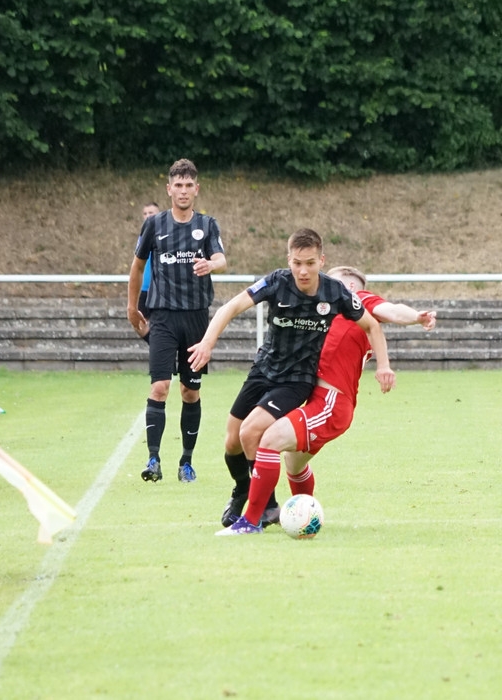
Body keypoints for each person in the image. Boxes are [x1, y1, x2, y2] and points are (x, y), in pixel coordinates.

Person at [188, 231, 392, 528]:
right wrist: (207, 343)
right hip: (264, 369)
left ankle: (266, 507)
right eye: (297, 263)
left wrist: (384, 365)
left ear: (321, 261)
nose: (303, 271)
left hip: (296, 380)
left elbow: (372, 324)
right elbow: (230, 307)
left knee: (251, 432)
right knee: (232, 442)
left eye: (310, 263)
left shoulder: (334, 292)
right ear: (289, 260)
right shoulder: (277, 281)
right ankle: (243, 489)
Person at [216, 266, 435, 534]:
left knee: (269, 439)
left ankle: (252, 521)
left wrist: (416, 318)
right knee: (293, 463)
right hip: (316, 399)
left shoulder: (358, 299)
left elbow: (391, 310)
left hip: (331, 402)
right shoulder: (325, 309)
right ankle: (305, 517)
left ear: (350, 287)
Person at [127, 159, 227, 483]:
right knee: (160, 387)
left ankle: (186, 462)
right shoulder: (154, 225)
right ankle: (153, 459)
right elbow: (137, 266)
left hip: (196, 318)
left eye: (188, 185)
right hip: (163, 317)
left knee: (189, 392)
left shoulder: (207, 225)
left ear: (196, 189)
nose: (183, 191)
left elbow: (222, 259)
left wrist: (211, 265)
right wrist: (131, 307)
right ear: (169, 189)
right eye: (178, 185)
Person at [134, 201, 160, 341]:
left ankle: (162, 348)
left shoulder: (164, 235)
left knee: (160, 324)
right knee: (139, 324)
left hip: (159, 289)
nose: (148, 216)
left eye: (151, 213)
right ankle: (157, 347)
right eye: (145, 213)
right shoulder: (142, 236)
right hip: (143, 289)